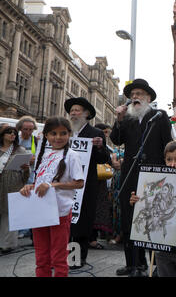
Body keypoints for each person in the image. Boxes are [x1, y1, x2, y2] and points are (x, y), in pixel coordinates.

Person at [110, 78, 173, 277]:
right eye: (132, 95)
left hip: (154, 174)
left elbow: (168, 144)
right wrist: (118, 120)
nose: (135, 98)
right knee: (129, 218)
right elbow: (116, 140)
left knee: (153, 219)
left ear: (148, 98)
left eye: (139, 94)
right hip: (130, 173)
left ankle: (156, 264)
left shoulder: (158, 116)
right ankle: (134, 264)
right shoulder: (126, 119)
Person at [19, 117, 84, 277]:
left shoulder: (72, 155)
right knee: (41, 258)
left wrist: (53, 185)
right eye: (53, 133)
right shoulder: (44, 154)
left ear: (69, 134)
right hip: (39, 211)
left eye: (63, 133)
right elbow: (41, 181)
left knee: (58, 258)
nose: (58, 137)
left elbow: (79, 183)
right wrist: (30, 187)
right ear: (46, 135)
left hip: (60, 212)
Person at [129, 141, 176, 277]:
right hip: (162, 245)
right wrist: (137, 202)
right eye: (169, 159)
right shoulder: (158, 179)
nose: (172, 164)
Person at [64, 97, 109, 269]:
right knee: (65, 221)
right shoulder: (65, 131)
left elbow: (103, 159)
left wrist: (99, 147)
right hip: (65, 183)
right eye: (72, 110)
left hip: (85, 184)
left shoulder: (95, 133)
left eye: (77, 110)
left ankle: (77, 258)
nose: (74, 113)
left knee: (81, 222)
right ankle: (63, 256)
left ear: (87, 114)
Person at [0, 126, 30, 254]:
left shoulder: (20, 150)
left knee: (9, 214)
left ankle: (8, 244)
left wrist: (26, 169)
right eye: (9, 132)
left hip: (12, 182)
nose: (12, 135)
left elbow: (25, 172)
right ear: (2, 135)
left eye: (14, 133)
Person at [89, 123, 114, 249]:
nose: (105, 135)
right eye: (104, 132)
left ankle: (93, 238)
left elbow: (107, 161)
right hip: (91, 182)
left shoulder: (103, 148)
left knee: (97, 212)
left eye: (106, 132)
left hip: (100, 184)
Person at [16, 116, 39, 240]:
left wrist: (35, 159)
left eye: (31, 129)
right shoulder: (15, 139)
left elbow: (40, 156)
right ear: (20, 128)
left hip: (29, 176)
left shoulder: (35, 141)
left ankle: (24, 230)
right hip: (15, 174)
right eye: (25, 129)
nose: (28, 132)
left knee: (26, 202)